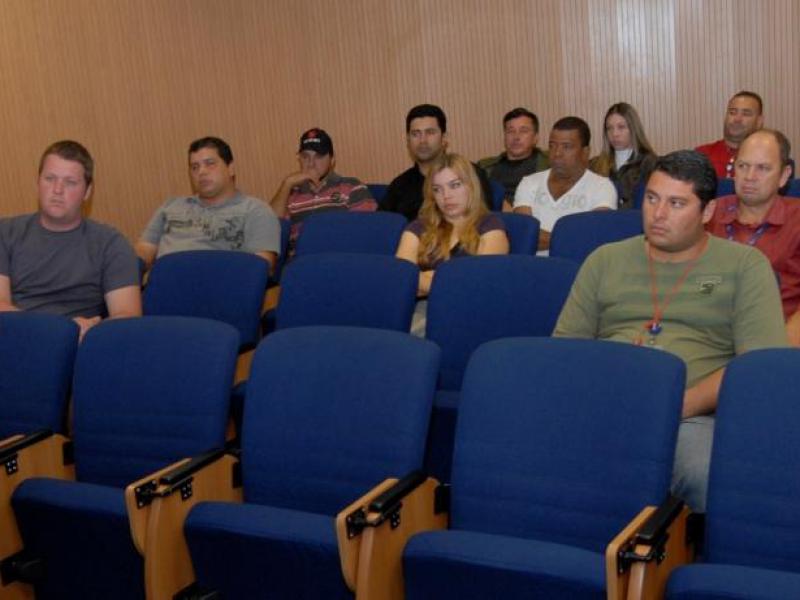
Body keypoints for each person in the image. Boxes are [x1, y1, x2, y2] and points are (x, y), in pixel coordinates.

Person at [554, 150, 787, 512]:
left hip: (690, 416)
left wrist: (678, 404)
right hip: (605, 405)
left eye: (676, 203)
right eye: (652, 199)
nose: (658, 214)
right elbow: (565, 351)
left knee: (704, 475)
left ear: (707, 212)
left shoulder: (744, 266)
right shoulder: (604, 260)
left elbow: (757, 366)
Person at [0, 140, 141, 339]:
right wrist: (54, 331)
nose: (57, 190)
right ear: (38, 182)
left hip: (79, 345)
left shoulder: (111, 244)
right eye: (50, 178)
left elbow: (128, 316)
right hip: (16, 338)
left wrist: (94, 329)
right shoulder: (5, 233)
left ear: (87, 192)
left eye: (70, 182)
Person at [706, 129, 800, 345]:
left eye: (763, 168)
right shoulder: (709, 213)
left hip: (773, 336)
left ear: (784, 175)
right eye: (743, 166)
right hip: (710, 333)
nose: (749, 177)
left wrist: (782, 349)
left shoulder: (796, 219)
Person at [137, 137, 281, 272]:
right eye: (195, 167)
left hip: (220, 285)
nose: (201, 172)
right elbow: (143, 252)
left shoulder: (255, 210)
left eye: (210, 163)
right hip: (165, 284)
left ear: (231, 168)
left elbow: (261, 268)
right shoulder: (171, 206)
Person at [396, 152, 509, 300]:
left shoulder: (490, 225)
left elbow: (479, 281)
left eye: (455, 185)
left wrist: (423, 279)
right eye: (437, 189)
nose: (446, 196)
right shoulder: (418, 227)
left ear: (471, 186)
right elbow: (400, 279)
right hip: (421, 308)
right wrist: (456, 281)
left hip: (469, 307)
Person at [513, 116, 617, 253]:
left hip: (578, 265)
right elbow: (524, 235)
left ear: (585, 152)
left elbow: (593, 238)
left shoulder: (602, 187)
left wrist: (545, 238)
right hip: (532, 264)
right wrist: (571, 239)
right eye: (552, 146)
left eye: (567, 147)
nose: (557, 153)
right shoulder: (529, 183)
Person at [380, 104, 494, 221]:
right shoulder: (399, 186)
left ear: (444, 138)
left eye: (430, 132)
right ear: (408, 140)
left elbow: (485, 220)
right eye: (415, 134)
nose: (422, 140)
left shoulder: (470, 174)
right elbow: (382, 224)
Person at [270, 128, 376, 253]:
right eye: (305, 157)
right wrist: (286, 184)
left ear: (332, 160)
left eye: (319, 156)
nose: (311, 164)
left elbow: (367, 232)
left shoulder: (351, 187)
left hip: (341, 256)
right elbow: (268, 229)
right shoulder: (291, 193)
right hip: (301, 260)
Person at [478, 107, 549, 209]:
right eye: (510, 131)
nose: (516, 137)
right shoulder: (484, 167)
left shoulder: (549, 164)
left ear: (535, 138)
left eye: (523, 131)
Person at [589, 102, 656, 208]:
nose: (614, 134)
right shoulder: (594, 165)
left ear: (633, 129)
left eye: (621, 127)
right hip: (603, 217)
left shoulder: (650, 163)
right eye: (609, 128)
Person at [696, 90, 764, 179]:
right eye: (732, 112)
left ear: (759, 121)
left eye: (746, 114)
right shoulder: (702, 156)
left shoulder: (767, 157)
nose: (737, 119)